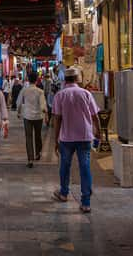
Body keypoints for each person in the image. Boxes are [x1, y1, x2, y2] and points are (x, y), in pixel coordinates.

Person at [52, 68, 101, 213]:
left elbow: (57, 119)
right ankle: (86, 202)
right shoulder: (86, 94)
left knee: (65, 166)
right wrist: (99, 132)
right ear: (77, 79)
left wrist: (56, 139)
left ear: (65, 80)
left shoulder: (60, 96)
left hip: (66, 137)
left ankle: (64, 193)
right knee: (85, 167)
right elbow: (95, 116)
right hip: (85, 136)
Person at [17, 73, 48, 168]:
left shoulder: (24, 90)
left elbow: (18, 102)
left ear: (28, 79)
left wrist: (18, 112)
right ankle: (38, 153)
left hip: (27, 116)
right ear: (36, 80)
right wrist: (46, 114)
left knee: (28, 137)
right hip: (38, 117)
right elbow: (43, 105)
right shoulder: (40, 91)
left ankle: (30, 159)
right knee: (38, 136)